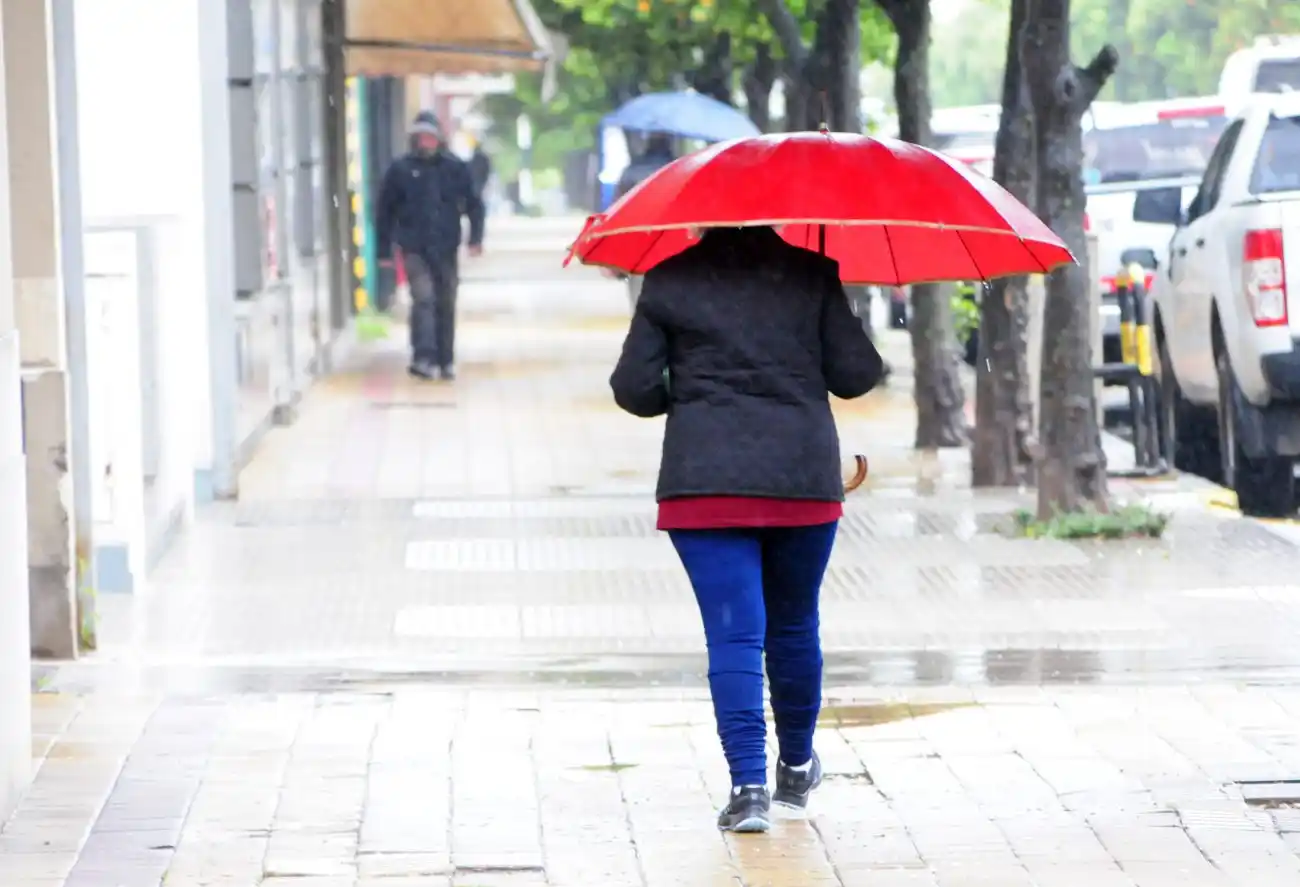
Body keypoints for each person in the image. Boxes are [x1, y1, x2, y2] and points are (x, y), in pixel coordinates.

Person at [609, 225, 884, 833]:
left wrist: (686, 395)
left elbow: (632, 388)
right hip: (800, 480)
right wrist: (834, 311)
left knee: (733, 634)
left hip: (704, 481)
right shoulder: (811, 272)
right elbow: (857, 375)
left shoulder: (669, 279)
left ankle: (748, 789)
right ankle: (796, 767)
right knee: (794, 623)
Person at [376, 111, 485, 381]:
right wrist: (383, 251)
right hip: (414, 247)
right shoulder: (400, 170)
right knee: (423, 298)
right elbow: (384, 212)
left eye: (430, 137)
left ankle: (445, 359)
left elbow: (474, 204)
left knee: (445, 301)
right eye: (421, 137)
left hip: (446, 246)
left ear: (439, 139)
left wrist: (475, 239)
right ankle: (423, 357)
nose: (426, 142)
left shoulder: (454, 168)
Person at [615, 132, 676, 311]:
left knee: (638, 286)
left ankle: (641, 318)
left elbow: (618, 209)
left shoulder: (631, 171)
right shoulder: (680, 167)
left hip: (638, 240)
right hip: (670, 241)